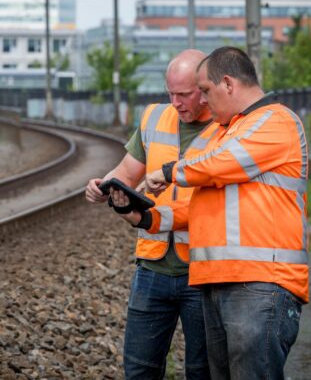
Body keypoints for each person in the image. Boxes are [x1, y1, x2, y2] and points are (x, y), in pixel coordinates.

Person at [145, 46, 309, 380]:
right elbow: (205, 205)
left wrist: (167, 170)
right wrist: (149, 218)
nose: (203, 101)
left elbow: (215, 165)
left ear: (229, 84)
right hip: (220, 283)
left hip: (260, 283)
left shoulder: (275, 121)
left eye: (205, 91)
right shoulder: (230, 129)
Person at [85, 49, 216, 379]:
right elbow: (128, 172)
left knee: (203, 371)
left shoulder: (226, 127)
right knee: (140, 369)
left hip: (203, 272)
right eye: (170, 93)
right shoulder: (155, 117)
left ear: (205, 88)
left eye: (184, 94)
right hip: (152, 266)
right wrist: (105, 184)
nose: (175, 102)